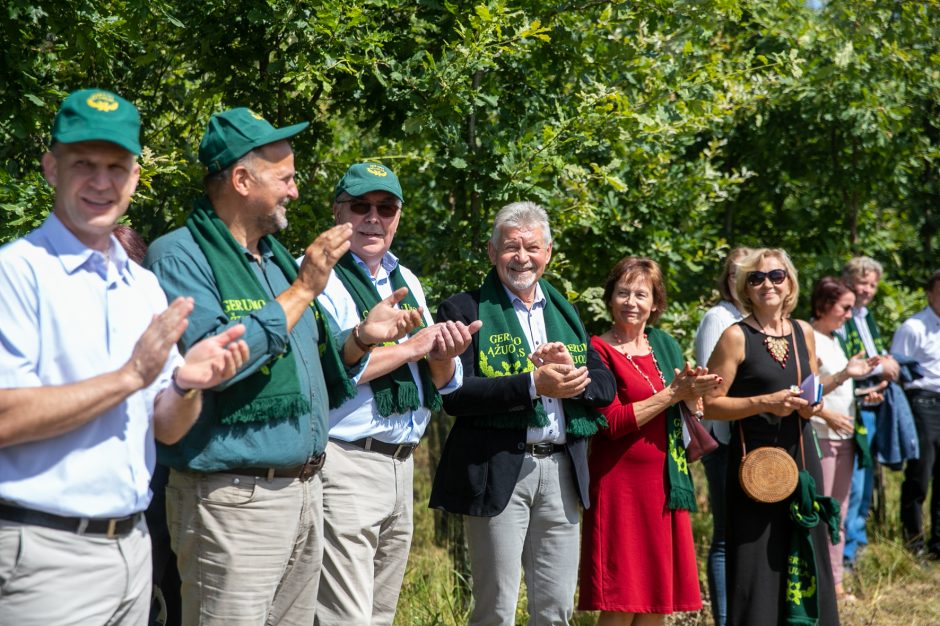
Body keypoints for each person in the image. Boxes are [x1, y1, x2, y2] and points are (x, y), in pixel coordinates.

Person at [145, 108, 421, 626]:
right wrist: (304, 289)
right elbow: (216, 363)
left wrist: (362, 337)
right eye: (286, 178)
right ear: (242, 179)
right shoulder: (179, 258)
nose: (295, 191)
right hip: (232, 499)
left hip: (304, 492)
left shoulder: (273, 259)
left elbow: (311, 361)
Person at [0, 89, 249, 625]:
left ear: (135, 176)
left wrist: (187, 385)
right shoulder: (15, 274)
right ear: (50, 167)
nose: (101, 181)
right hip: (44, 555)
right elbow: (5, 416)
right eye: (83, 164)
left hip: (135, 549)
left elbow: (166, 428)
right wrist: (130, 376)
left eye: (116, 166)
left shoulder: (142, 287)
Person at [429, 201, 615, 625]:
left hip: (562, 471)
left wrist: (571, 374)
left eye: (532, 247)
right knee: (496, 608)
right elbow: (456, 396)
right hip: (499, 469)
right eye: (511, 247)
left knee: (555, 610)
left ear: (548, 252)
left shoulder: (564, 313)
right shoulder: (464, 310)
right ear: (493, 253)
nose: (522, 257)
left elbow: (605, 389)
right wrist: (533, 385)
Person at [314, 163, 480, 625]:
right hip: (346, 460)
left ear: (398, 217)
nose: (373, 218)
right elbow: (339, 367)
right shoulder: (319, 277)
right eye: (360, 206)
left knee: (380, 613)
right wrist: (413, 346)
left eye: (385, 208)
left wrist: (447, 350)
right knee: (343, 617)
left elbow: (443, 381)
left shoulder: (404, 277)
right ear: (337, 211)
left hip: (400, 464)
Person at [704, 248, 839, 625]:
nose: (768, 284)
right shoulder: (736, 336)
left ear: (790, 282)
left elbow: (811, 389)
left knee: (807, 552)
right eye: (757, 278)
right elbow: (708, 405)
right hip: (755, 467)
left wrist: (810, 406)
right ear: (745, 287)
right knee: (757, 568)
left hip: (801, 459)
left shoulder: (803, 332)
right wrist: (764, 402)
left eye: (776, 276)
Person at [579, 257, 717, 625]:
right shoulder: (596, 349)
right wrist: (673, 394)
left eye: (641, 294)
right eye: (622, 292)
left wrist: (693, 395)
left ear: (655, 303)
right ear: (610, 299)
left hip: (665, 483)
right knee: (621, 600)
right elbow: (611, 423)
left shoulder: (664, 343)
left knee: (656, 602)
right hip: (619, 486)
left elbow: (689, 411)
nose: (631, 302)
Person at [809, 277, 882, 600]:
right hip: (820, 435)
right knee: (821, 513)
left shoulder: (835, 339)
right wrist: (843, 378)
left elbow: (839, 386)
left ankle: (835, 584)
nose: (850, 315)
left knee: (838, 513)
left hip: (846, 436)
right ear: (824, 305)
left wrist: (864, 393)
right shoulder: (807, 336)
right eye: (845, 307)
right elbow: (809, 390)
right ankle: (819, 585)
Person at [692, 246, 751, 626]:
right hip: (724, 441)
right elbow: (712, 386)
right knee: (726, 536)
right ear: (727, 279)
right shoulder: (720, 317)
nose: (743, 280)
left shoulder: (752, 317)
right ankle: (725, 618)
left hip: (750, 442)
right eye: (737, 273)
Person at [837, 256, 899, 568]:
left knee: (866, 481)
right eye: (863, 282)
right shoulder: (842, 318)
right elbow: (843, 365)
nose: (868, 289)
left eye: (873, 284)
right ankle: (844, 556)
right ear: (848, 281)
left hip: (874, 404)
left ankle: (858, 547)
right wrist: (879, 369)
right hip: (854, 404)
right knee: (853, 484)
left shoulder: (867, 317)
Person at [892, 270, 940, 560]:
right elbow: (897, 370)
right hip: (922, 402)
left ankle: (938, 544)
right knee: (920, 475)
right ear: (930, 294)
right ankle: (914, 543)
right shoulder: (914, 327)